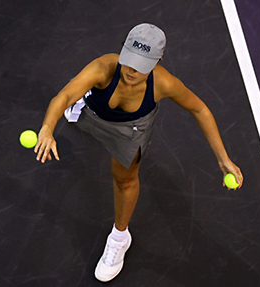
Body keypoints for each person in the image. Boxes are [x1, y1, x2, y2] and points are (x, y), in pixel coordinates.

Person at [34, 23, 243, 282]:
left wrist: (223, 159)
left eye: (142, 65)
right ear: (123, 49)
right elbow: (63, 96)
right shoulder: (104, 68)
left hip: (129, 130)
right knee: (74, 96)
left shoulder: (164, 83)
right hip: (93, 111)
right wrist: (47, 128)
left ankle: (120, 238)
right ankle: (82, 104)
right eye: (130, 61)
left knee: (125, 179)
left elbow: (200, 110)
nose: (132, 71)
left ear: (158, 61)